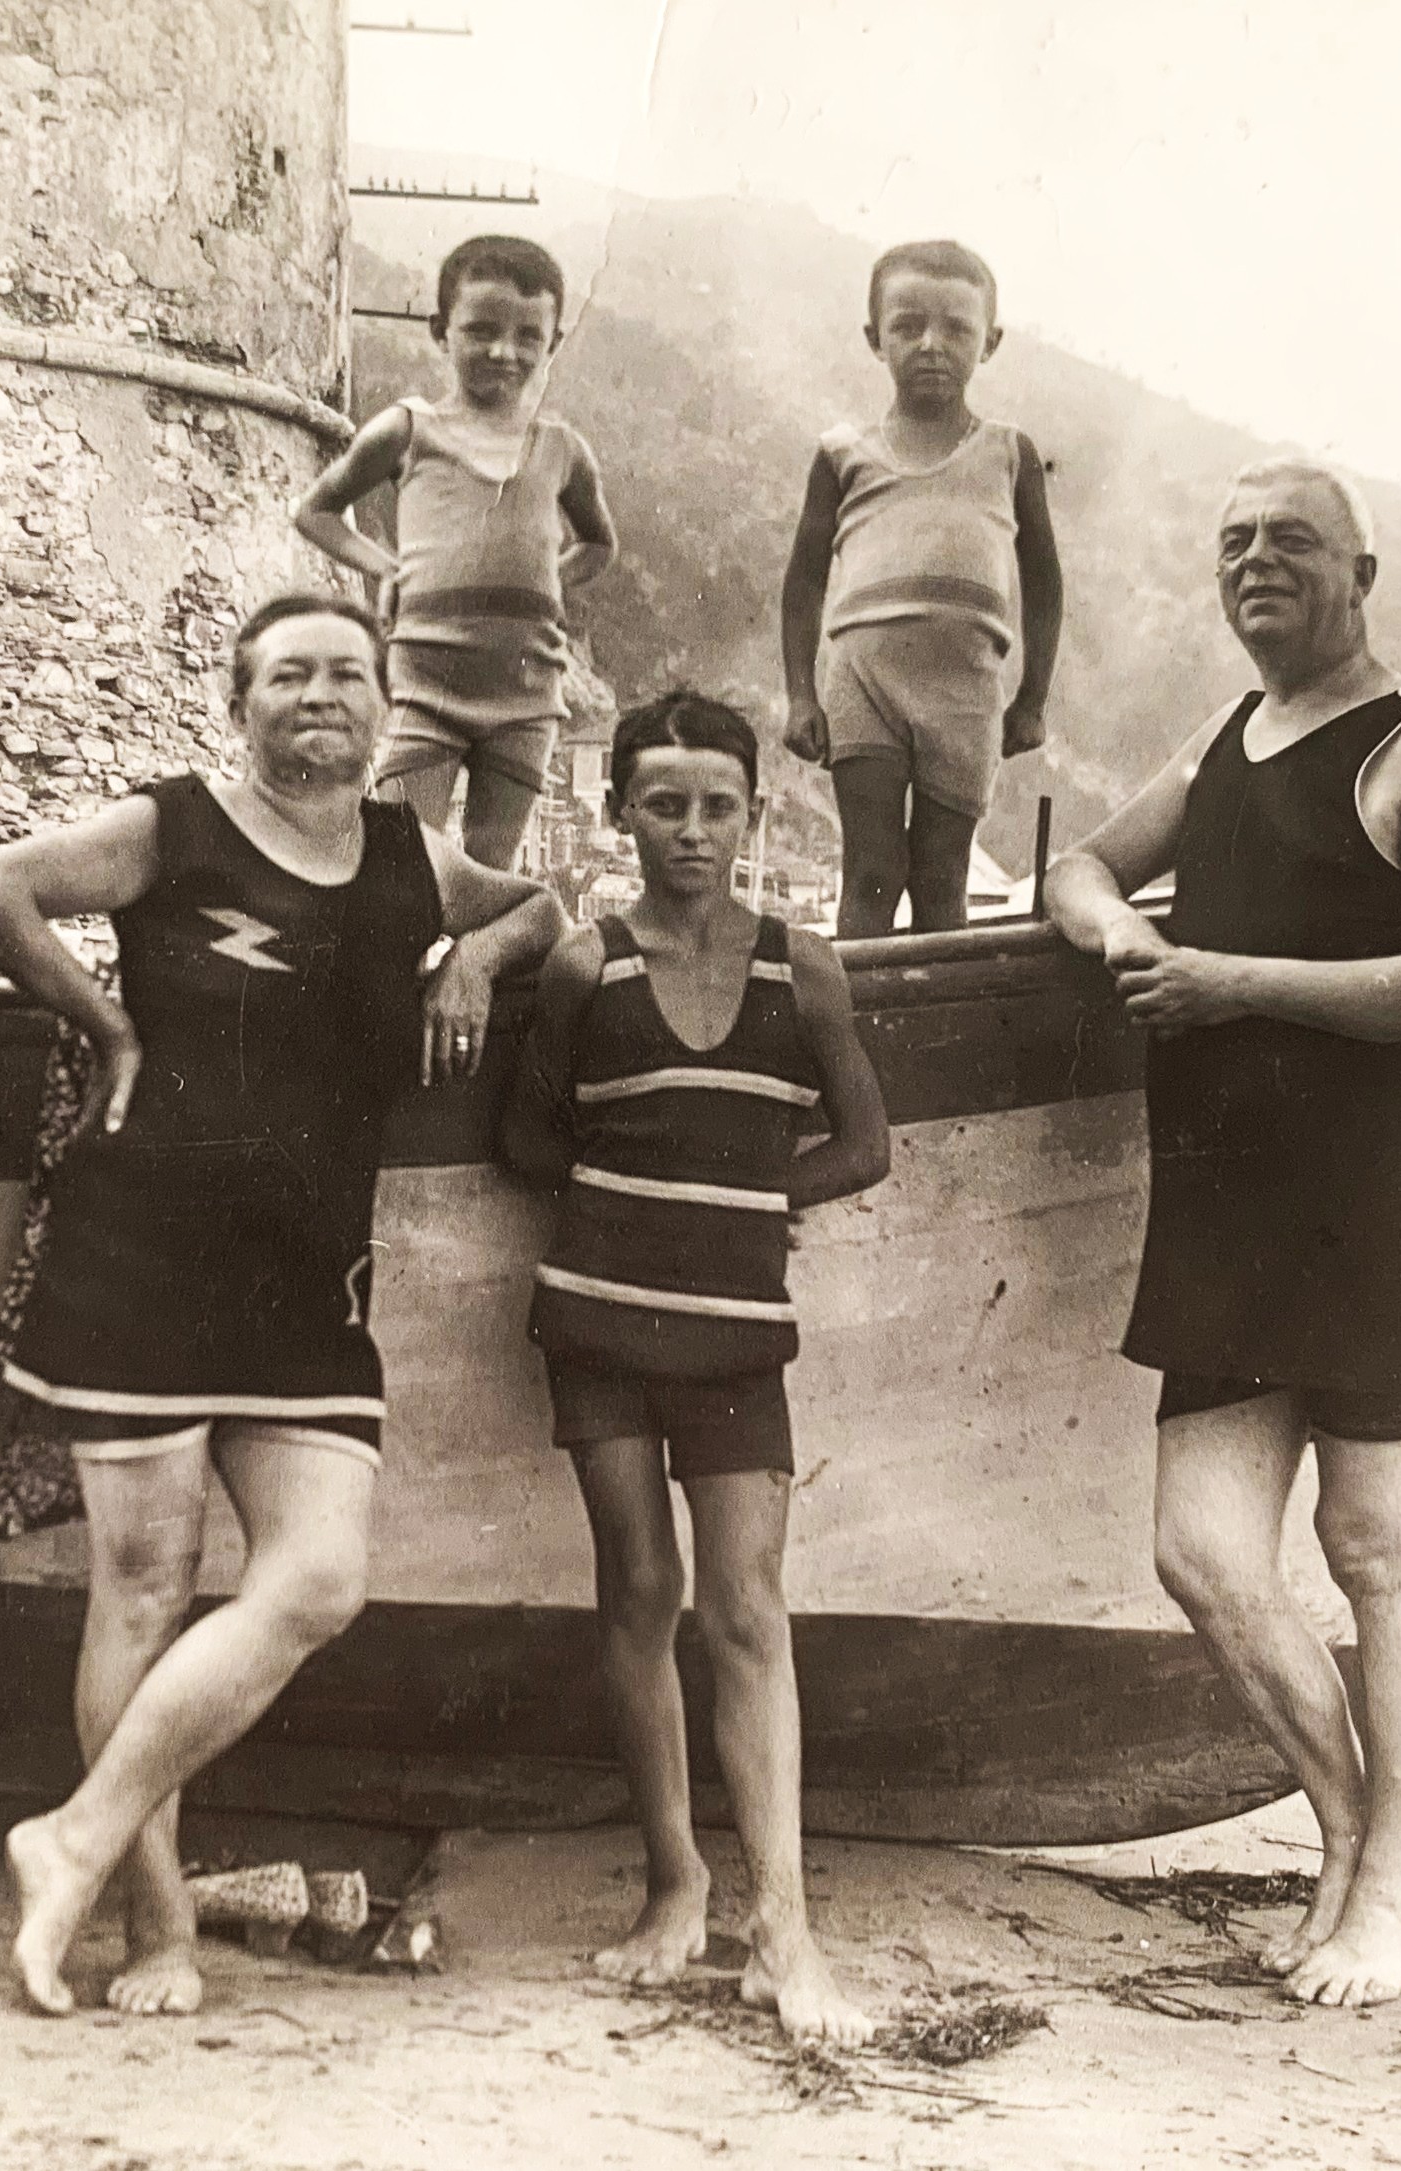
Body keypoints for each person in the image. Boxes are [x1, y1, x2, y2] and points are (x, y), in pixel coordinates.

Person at [0, 592, 564, 2017]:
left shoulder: (409, 854)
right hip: (140, 1251)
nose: (321, 695)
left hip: (307, 1282)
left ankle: (72, 1838)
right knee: (143, 1587)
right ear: (240, 701)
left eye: (348, 672)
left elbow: (536, 906)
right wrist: (101, 1021)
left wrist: (469, 956)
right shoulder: (175, 826)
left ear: (382, 707)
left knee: (317, 1578)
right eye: (288, 674)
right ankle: (155, 1931)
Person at [1040, 458, 1401, 2009]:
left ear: (1359, 570)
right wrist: (1118, 931)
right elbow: (1079, 862)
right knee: (1200, 1550)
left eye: (1288, 540)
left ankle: (1390, 1888)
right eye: (1230, 539)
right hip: (1235, 1197)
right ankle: (1343, 1835)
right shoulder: (1226, 737)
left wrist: (1223, 980)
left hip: (1382, 1194)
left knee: (1376, 1548)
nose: (1254, 560)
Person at [501, 690, 890, 2045]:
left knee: (746, 1605)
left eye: (715, 801)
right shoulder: (580, 966)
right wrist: (647, 1191)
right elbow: (530, 1143)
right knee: (639, 1590)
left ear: (753, 813)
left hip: (733, 1337)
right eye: (660, 800)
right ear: (617, 811)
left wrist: (744, 1188)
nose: (689, 827)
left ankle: (781, 1920)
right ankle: (675, 1885)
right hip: (596, 1327)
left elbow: (862, 1143)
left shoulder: (803, 966)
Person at [293, 233, 618, 869]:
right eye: (481, 330)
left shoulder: (563, 451)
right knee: (397, 858)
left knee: (491, 871)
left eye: (530, 336)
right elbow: (315, 511)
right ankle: (394, 970)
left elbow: (599, 545)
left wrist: (545, 579)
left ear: (553, 344)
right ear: (442, 332)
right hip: (426, 689)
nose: (505, 351)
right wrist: (388, 568)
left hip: (526, 697)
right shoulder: (409, 430)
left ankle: (472, 974)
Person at [780, 238, 1064, 936]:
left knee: (942, 879)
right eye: (907, 326)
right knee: (870, 871)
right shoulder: (842, 453)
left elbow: (1044, 580)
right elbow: (804, 579)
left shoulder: (1010, 452)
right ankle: (850, 1034)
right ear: (874, 337)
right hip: (862, 683)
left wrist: (1030, 700)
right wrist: (798, 694)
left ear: (989, 341)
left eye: (957, 328)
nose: (931, 344)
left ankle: (940, 1038)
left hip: (965, 693)